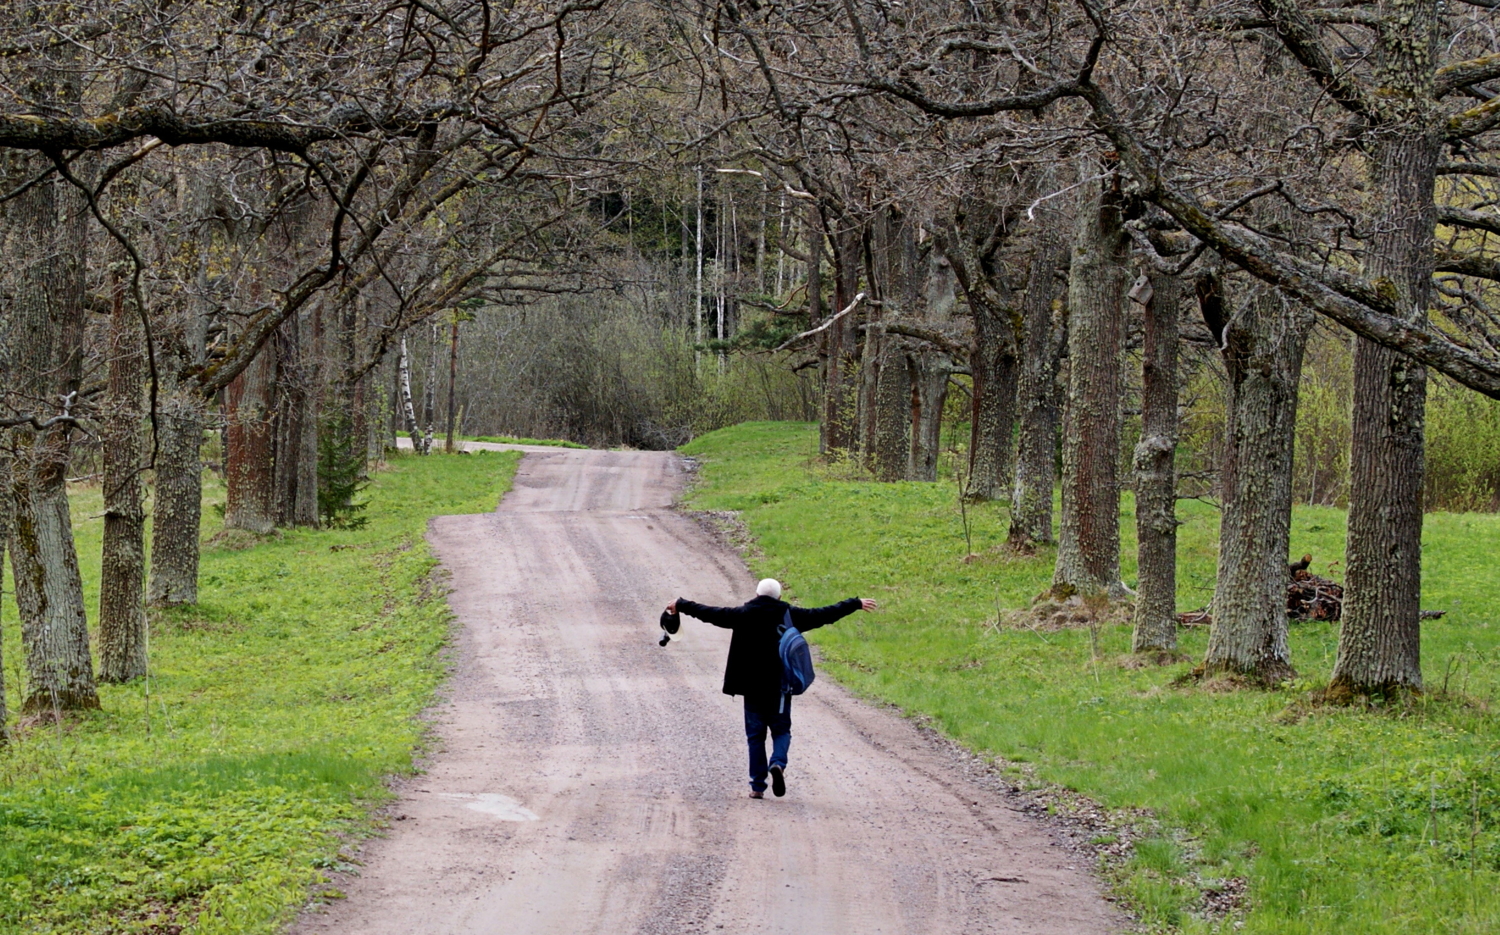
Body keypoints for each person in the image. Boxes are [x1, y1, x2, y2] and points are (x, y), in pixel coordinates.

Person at [665, 579, 877, 799]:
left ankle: (757, 786)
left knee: (755, 736)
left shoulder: (742, 614)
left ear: (756, 595)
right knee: (781, 730)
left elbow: (710, 613)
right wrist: (855, 603)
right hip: (780, 688)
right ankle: (777, 763)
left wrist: (682, 604)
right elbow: (824, 614)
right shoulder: (790, 615)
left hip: (751, 688)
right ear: (779, 597)